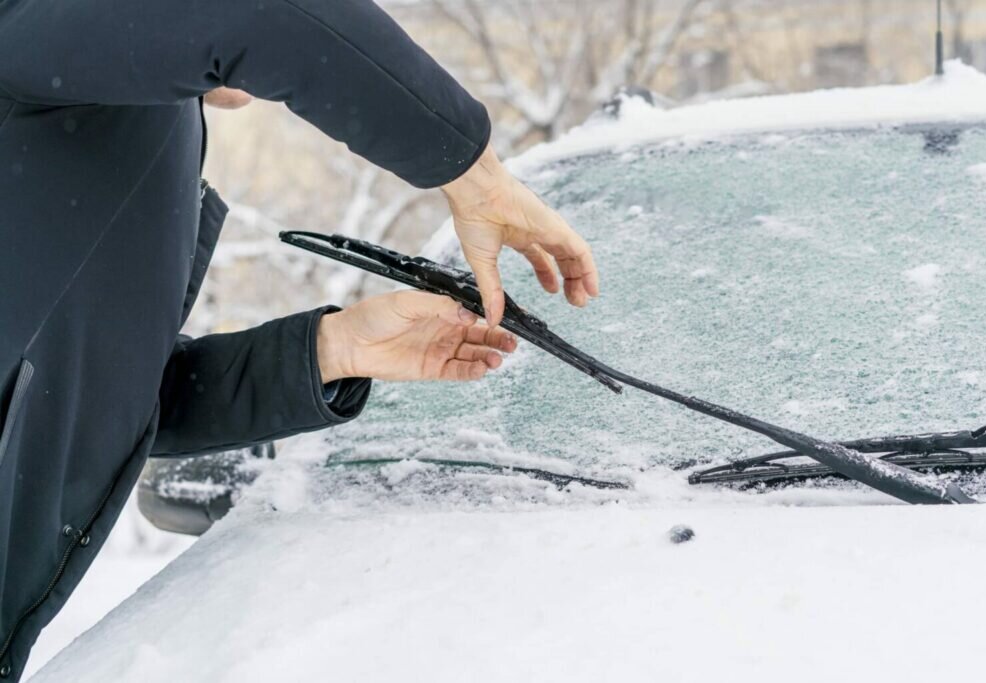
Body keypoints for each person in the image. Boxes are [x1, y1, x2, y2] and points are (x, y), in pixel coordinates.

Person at [0, 0, 599, 678]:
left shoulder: (109, 112)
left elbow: (107, 399)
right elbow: (263, 16)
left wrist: (335, 349)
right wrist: (475, 176)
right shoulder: (29, 29)